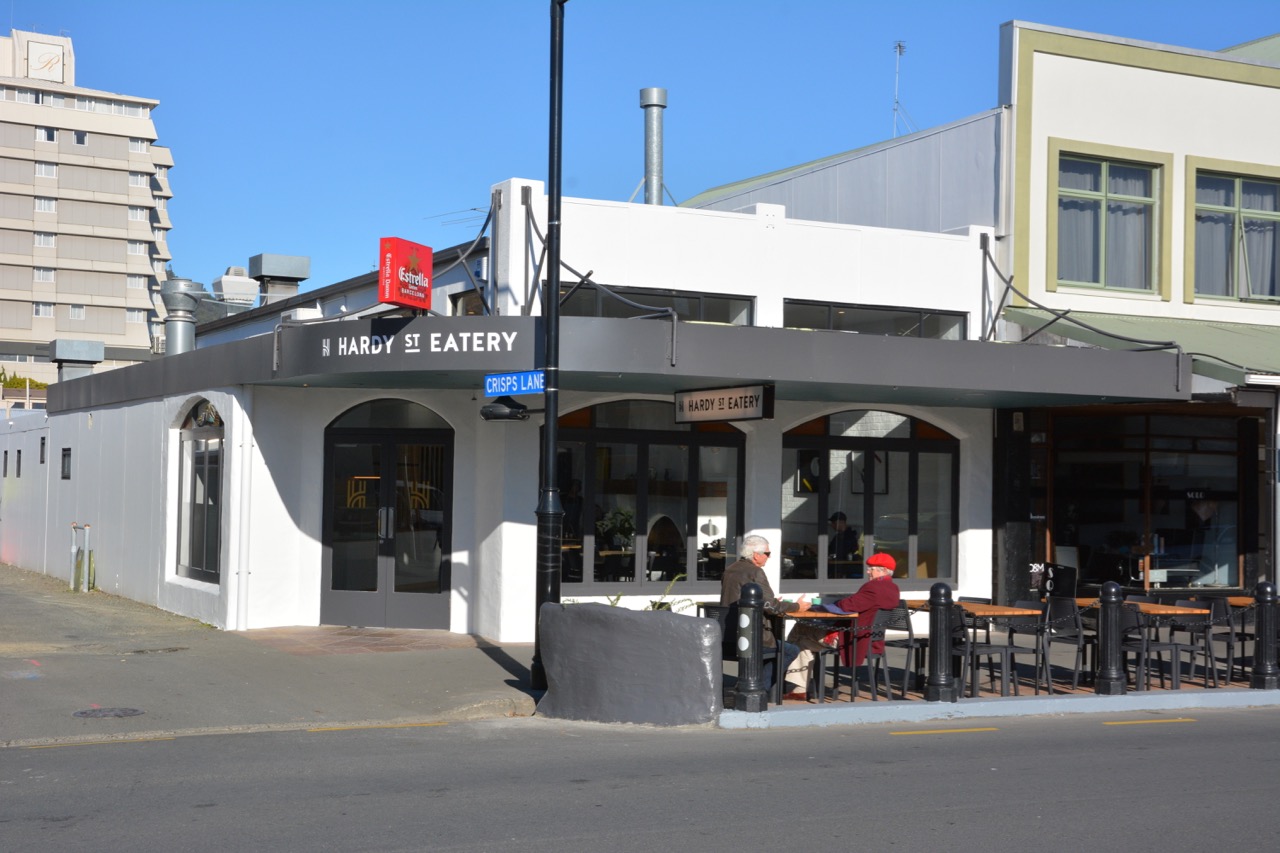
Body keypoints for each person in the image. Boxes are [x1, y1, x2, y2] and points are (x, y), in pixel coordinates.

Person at [720, 534, 811, 698]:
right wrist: (798, 606)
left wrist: (771, 603)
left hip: (727, 636)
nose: (769, 557)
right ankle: (761, 689)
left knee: (777, 647)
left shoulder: (730, 569)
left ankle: (756, 686)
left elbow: (763, 602)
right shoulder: (756, 572)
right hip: (752, 637)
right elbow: (771, 607)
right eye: (767, 553)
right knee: (790, 650)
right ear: (756, 555)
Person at [831, 552, 902, 668]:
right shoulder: (894, 588)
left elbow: (848, 605)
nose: (868, 572)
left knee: (805, 633)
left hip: (858, 639)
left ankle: (806, 678)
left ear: (883, 570)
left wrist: (837, 602)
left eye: (871, 569)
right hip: (876, 640)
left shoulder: (873, 587)